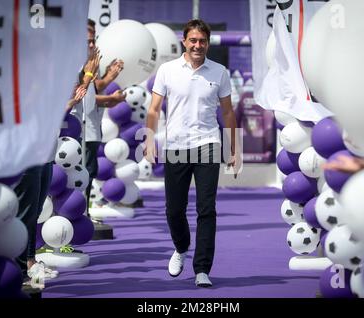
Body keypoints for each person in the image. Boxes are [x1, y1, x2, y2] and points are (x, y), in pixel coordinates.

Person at [144, 19, 239, 287]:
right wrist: (150, 140)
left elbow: (228, 112)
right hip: (175, 147)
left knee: (206, 209)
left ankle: (202, 269)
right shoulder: (167, 70)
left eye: (203, 41)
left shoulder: (219, 72)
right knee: (174, 210)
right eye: (193, 40)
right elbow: (153, 110)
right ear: (184, 42)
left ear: (208, 43)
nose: (198, 45)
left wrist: (235, 148)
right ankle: (181, 247)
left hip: (208, 144)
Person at [70, 19, 126, 210]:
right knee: (78, 175)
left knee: (88, 173)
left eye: (94, 40)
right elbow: (81, 93)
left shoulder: (92, 60)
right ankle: (74, 214)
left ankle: (82, 212)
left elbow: (93, 90)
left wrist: (109, 77)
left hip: (92, 127)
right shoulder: (73, 62)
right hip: (78, 127)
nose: (92, 45)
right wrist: (111, 87)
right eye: (88, 41)